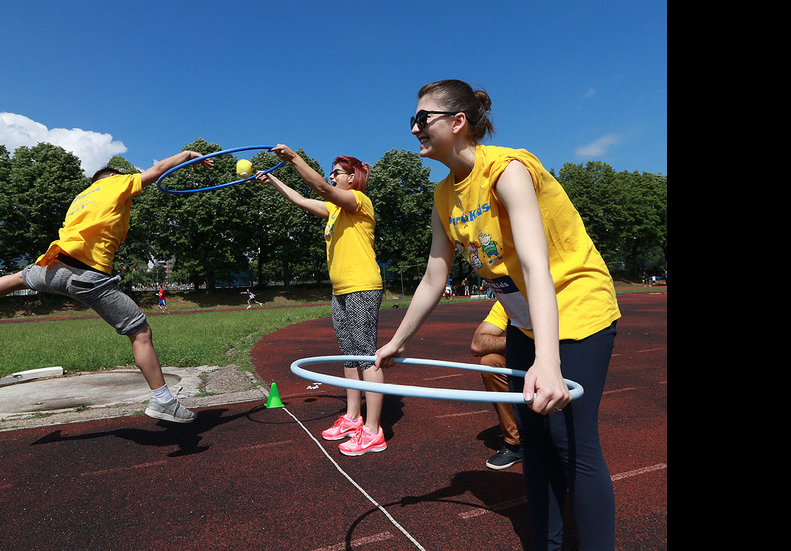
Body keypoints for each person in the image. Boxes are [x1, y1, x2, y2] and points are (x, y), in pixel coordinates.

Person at [374, 80, 621, 549]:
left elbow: (535, 264)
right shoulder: (444, 194)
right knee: (534, 441)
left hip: (576, 305)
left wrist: (546, 362)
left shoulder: (507, 170)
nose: (414, 129)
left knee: (571, 443)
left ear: (457, 122)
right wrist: (397, 341)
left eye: (422, 118)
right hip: (527, 316)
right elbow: (433, 277)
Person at [0, 149, 214, 424]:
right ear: (113, 177)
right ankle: (163, 400)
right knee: (140, 333)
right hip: (88, 275)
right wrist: (187, 155)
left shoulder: (81, 197)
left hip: (53, 266)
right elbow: (157, 169)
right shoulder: (117, 182)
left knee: (19, 278)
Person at [256, 145, 386, 456]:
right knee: (350, 356)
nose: (331, 176)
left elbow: (320, 187)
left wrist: (294, 159)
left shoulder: (359, 202)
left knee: (367, 356)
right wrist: (273, 180)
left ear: (351, 179)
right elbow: (301, 199)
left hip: (362, 287)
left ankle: (374, 430)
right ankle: (354, 418)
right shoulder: (334, 211)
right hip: (341, 291)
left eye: (336, 172)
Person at [470, 301, 520, 470]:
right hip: (526, 358)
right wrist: (521, 342)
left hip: (559, 360)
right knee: (490, 362)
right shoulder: (510, 298)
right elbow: (477, 344)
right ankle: (515, 443)